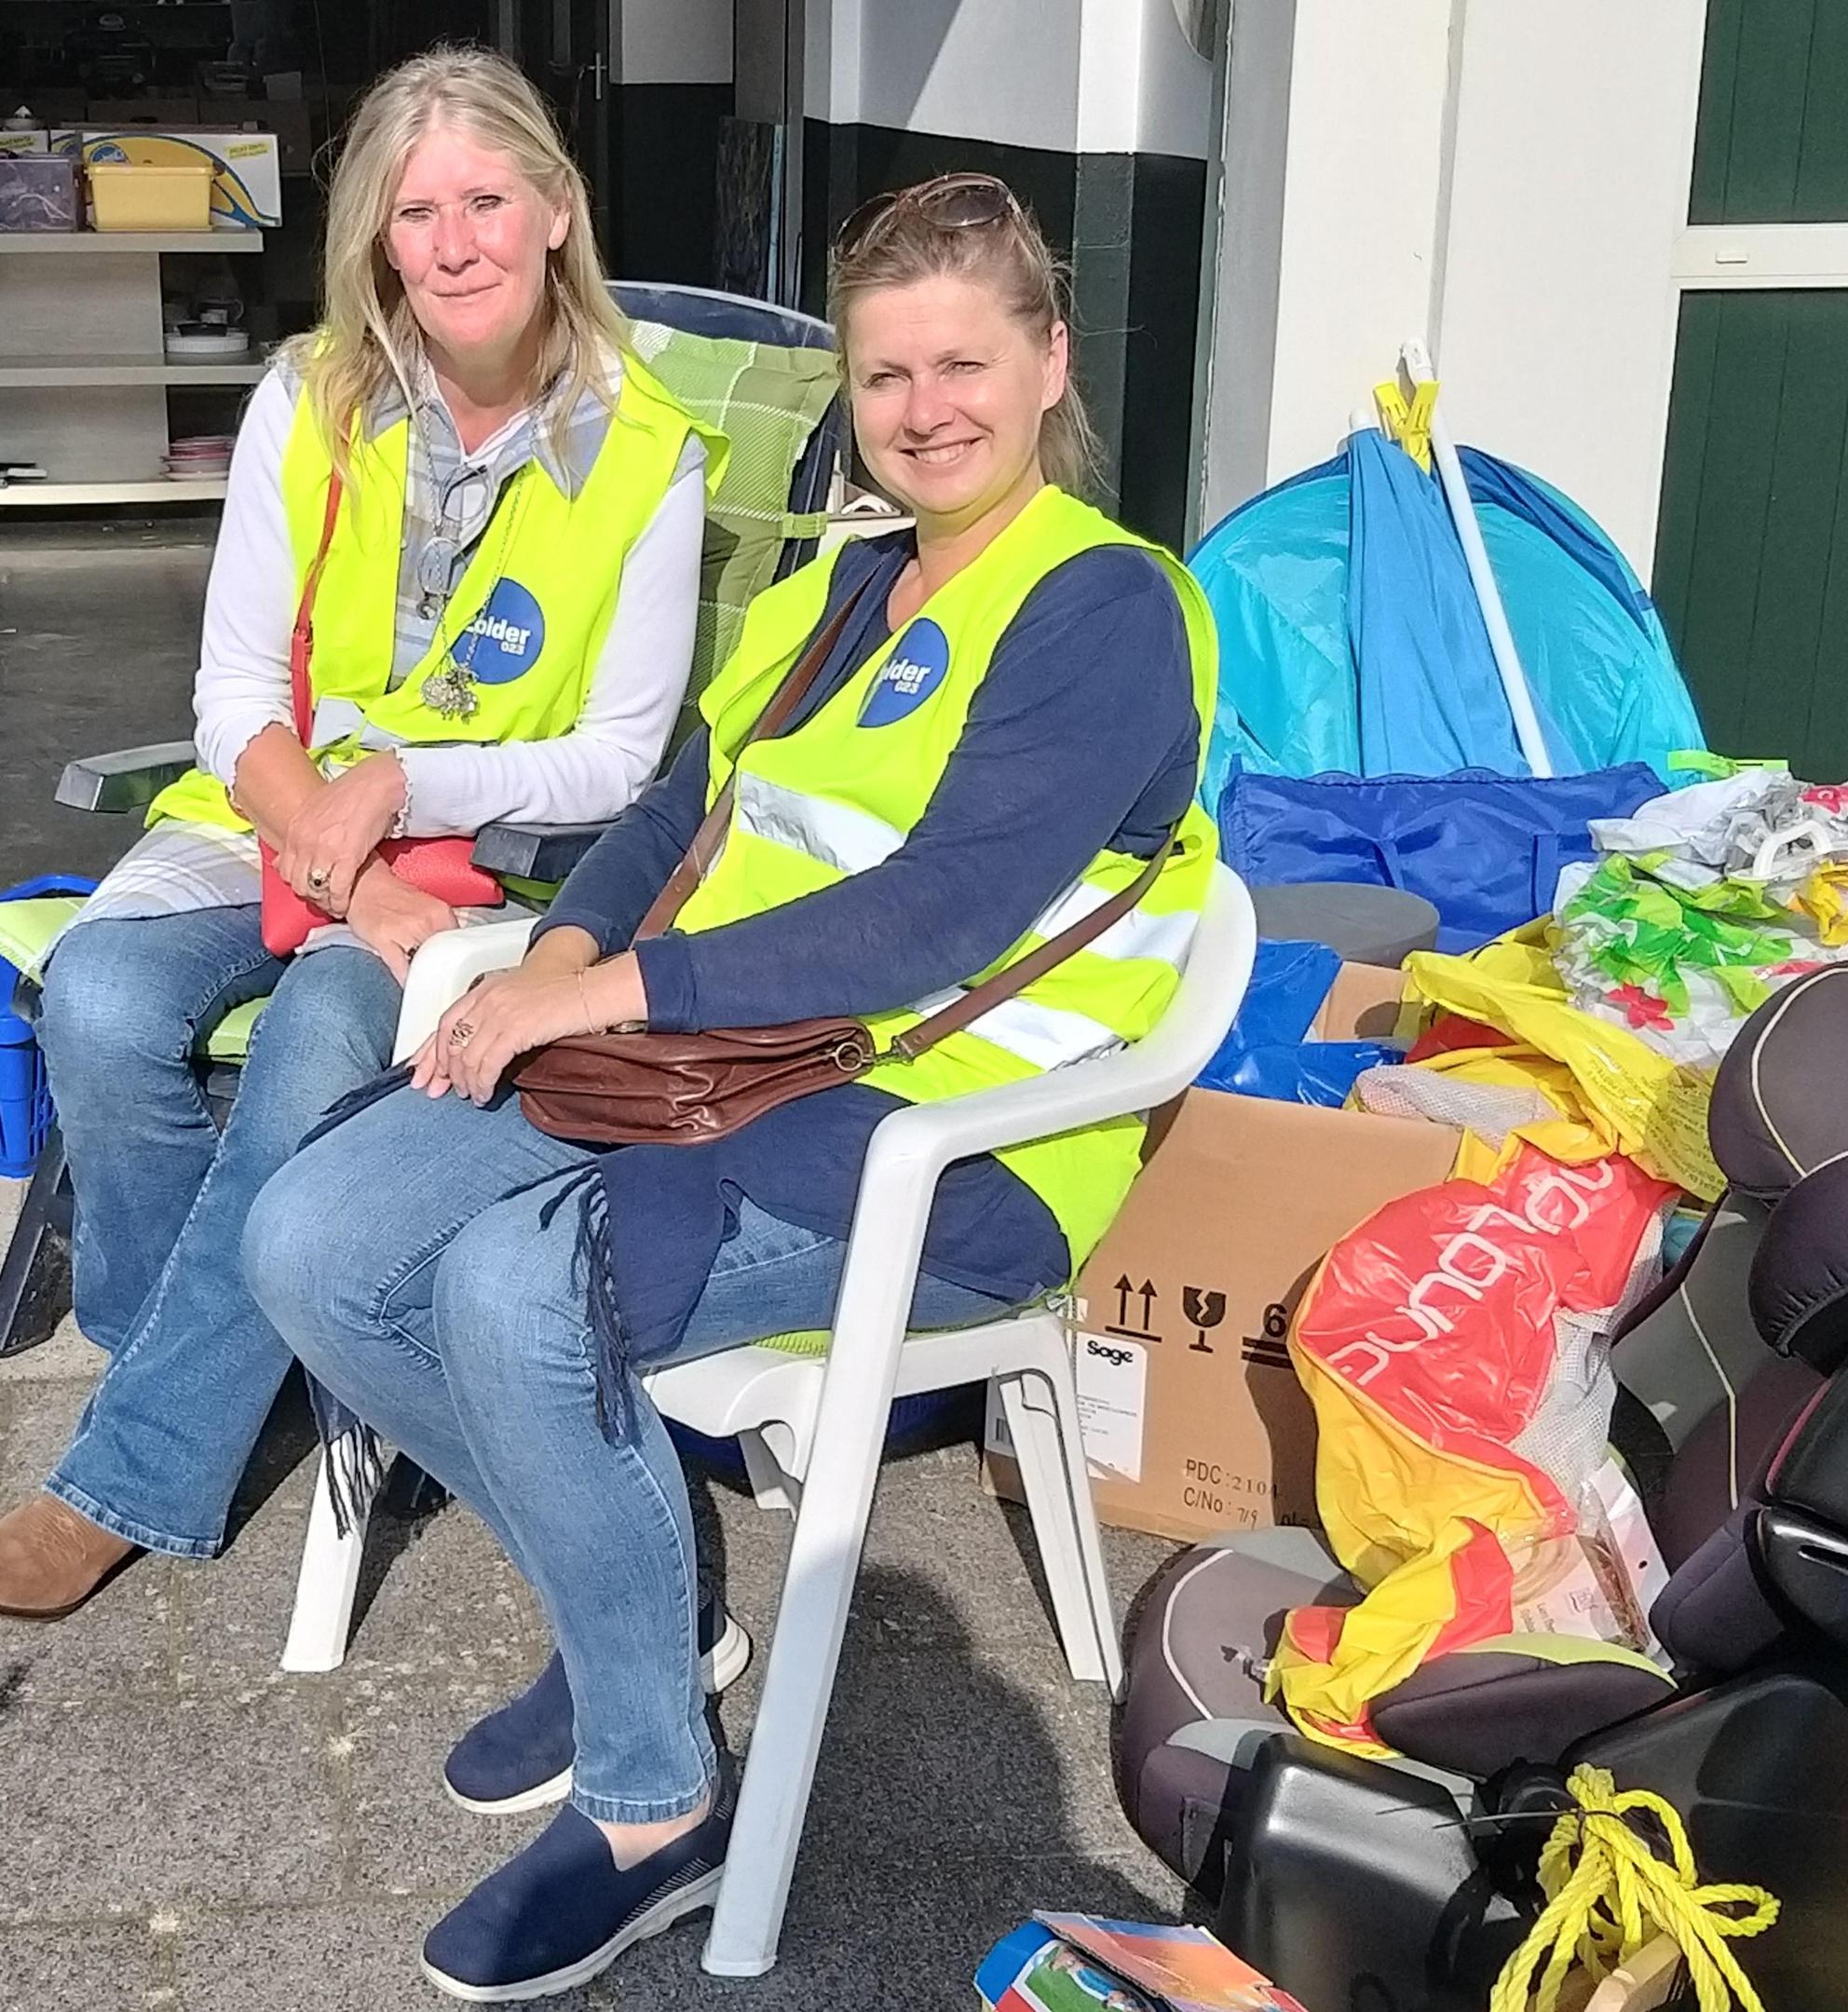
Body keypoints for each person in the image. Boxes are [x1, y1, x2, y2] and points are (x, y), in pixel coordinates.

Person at [243, 172, 1218, 2002]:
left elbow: (934, 912)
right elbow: (678, 808)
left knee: (509, 1286)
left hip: (948, 1149)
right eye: (884, 374)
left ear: (1050, 361)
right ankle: (649, 1610)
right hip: (710, 1067)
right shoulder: (847, 578)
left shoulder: (1099, 608)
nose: (925, 409)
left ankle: (651, 1805)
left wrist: (599, 989)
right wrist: (552, 961)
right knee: (310, 1237)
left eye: (964, 364)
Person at [0, 48, 720, 1617]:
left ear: (558, 211)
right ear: (375, 240)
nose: (452, 245)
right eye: (412, 212)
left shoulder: (649, 449)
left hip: (490, 861)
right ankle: (220, 1357)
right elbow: (235, 688)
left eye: (486, 200)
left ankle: (139, 1463)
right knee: (98, 1003)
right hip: (282, 819)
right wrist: (342, 854)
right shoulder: (310, 399)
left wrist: (411, 801)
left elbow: (619, 756)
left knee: (313, 1048)